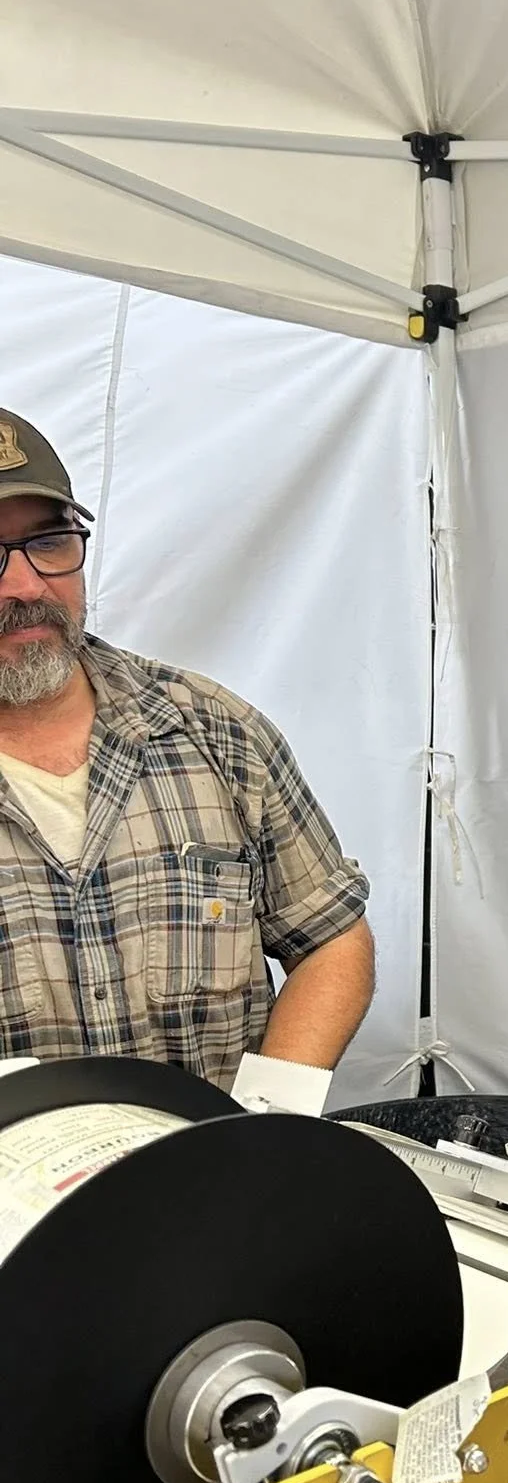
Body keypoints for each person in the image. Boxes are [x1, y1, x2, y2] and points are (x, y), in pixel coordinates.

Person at [0, 407, 374, 1091]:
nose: (26, 586)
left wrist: (265, 1122)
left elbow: (330, 938)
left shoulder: (215, 731)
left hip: (215, 1155)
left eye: (49, 541)